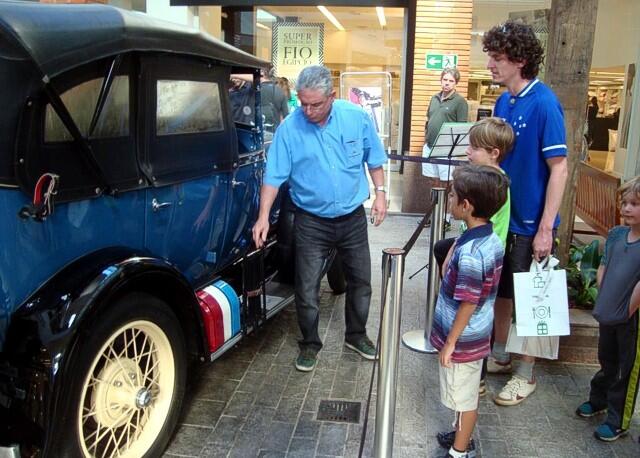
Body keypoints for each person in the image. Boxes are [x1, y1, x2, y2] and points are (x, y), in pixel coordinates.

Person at [251, 65, 388, 372]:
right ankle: (310, 343)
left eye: (316, 104)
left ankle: (356, 335)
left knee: (361, 281)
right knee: (307, 286)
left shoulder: (355, 118)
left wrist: (380, 193)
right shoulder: (290, 129)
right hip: (311, 220)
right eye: (303, 103)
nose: (309, 111)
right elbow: (273, 176)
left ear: (332, 96)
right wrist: (262, 217)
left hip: (352, 218)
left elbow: (374, 158)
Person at [482, 20, 569, 406]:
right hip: (503, 219)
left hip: (532, 224)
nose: (490, 65)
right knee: (502, 294)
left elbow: (559, 169)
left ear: (519, 60)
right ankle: (500, 354)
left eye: (497, 58)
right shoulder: (504, 101)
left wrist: (546, 227)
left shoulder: (545, 102)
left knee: (531, 298)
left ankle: (526, 372)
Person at [430, 164, 509, 458]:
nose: (449, 201)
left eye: (453, 197)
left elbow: (469, 301)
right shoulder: (485, 237)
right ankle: (458, 433)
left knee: (465, 398)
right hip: (473, 335)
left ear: (466, 205)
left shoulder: (474, 253)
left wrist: (450, 342)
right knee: (460, 391)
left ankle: (459, 451)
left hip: (463, 341)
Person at [575, 176, 640, 442]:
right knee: (607, 358)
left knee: (627, 369)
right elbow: (604, 265)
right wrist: (604, 299)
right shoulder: (615, 235)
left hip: (631, 318)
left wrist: (627, 311)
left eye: (635, 204)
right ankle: (598, 398)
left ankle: (618, 419)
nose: (626, 208)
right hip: (609, 312)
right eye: (624, 203)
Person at [422, 68, 469, 186]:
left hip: (446, 149)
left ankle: (446, 205)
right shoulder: (434, 98)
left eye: (451, 81)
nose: (447, 83)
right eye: (445, 79)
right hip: (429, 146)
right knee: (432, 179)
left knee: (446, 182)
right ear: (441, 80)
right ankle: (436, 204)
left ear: (456, 83)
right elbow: (428, 119)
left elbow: (462, 128)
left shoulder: (460, 102)